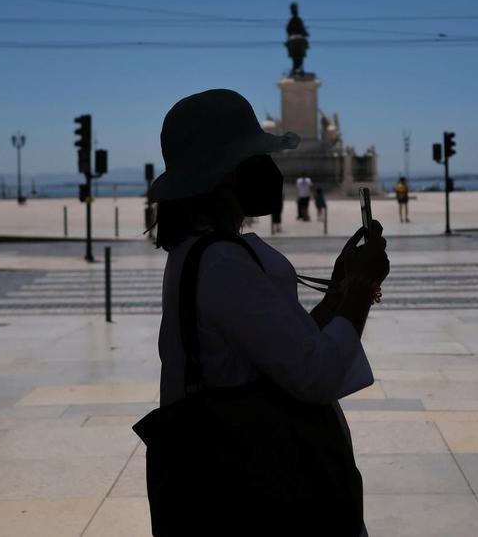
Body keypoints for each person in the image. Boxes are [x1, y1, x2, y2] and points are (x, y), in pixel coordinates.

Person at [138, 89, 388, 536]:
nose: (274, 171)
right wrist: (362, 287)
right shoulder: (221, 263)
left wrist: (340, 287)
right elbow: (315, 372)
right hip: (255, 487)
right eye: (259, 157)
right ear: (226, 175)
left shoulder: (204, 252)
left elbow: (283, 349)